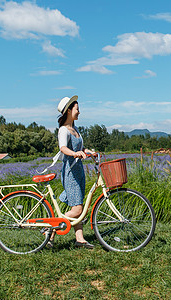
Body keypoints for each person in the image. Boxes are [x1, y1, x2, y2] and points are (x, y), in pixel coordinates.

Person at [49, 95, 95, 249]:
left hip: (79, 171)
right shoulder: (63, 130)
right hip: (70, 173)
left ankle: (79, 239)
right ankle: (51, 229)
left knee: (78, 206)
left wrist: (87, 151)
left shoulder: (75, 129)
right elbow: (63, 148)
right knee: (77, 209)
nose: (79, 112)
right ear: (69, 111)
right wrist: (74, 154)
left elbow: (79, 148)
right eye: (77, 109)